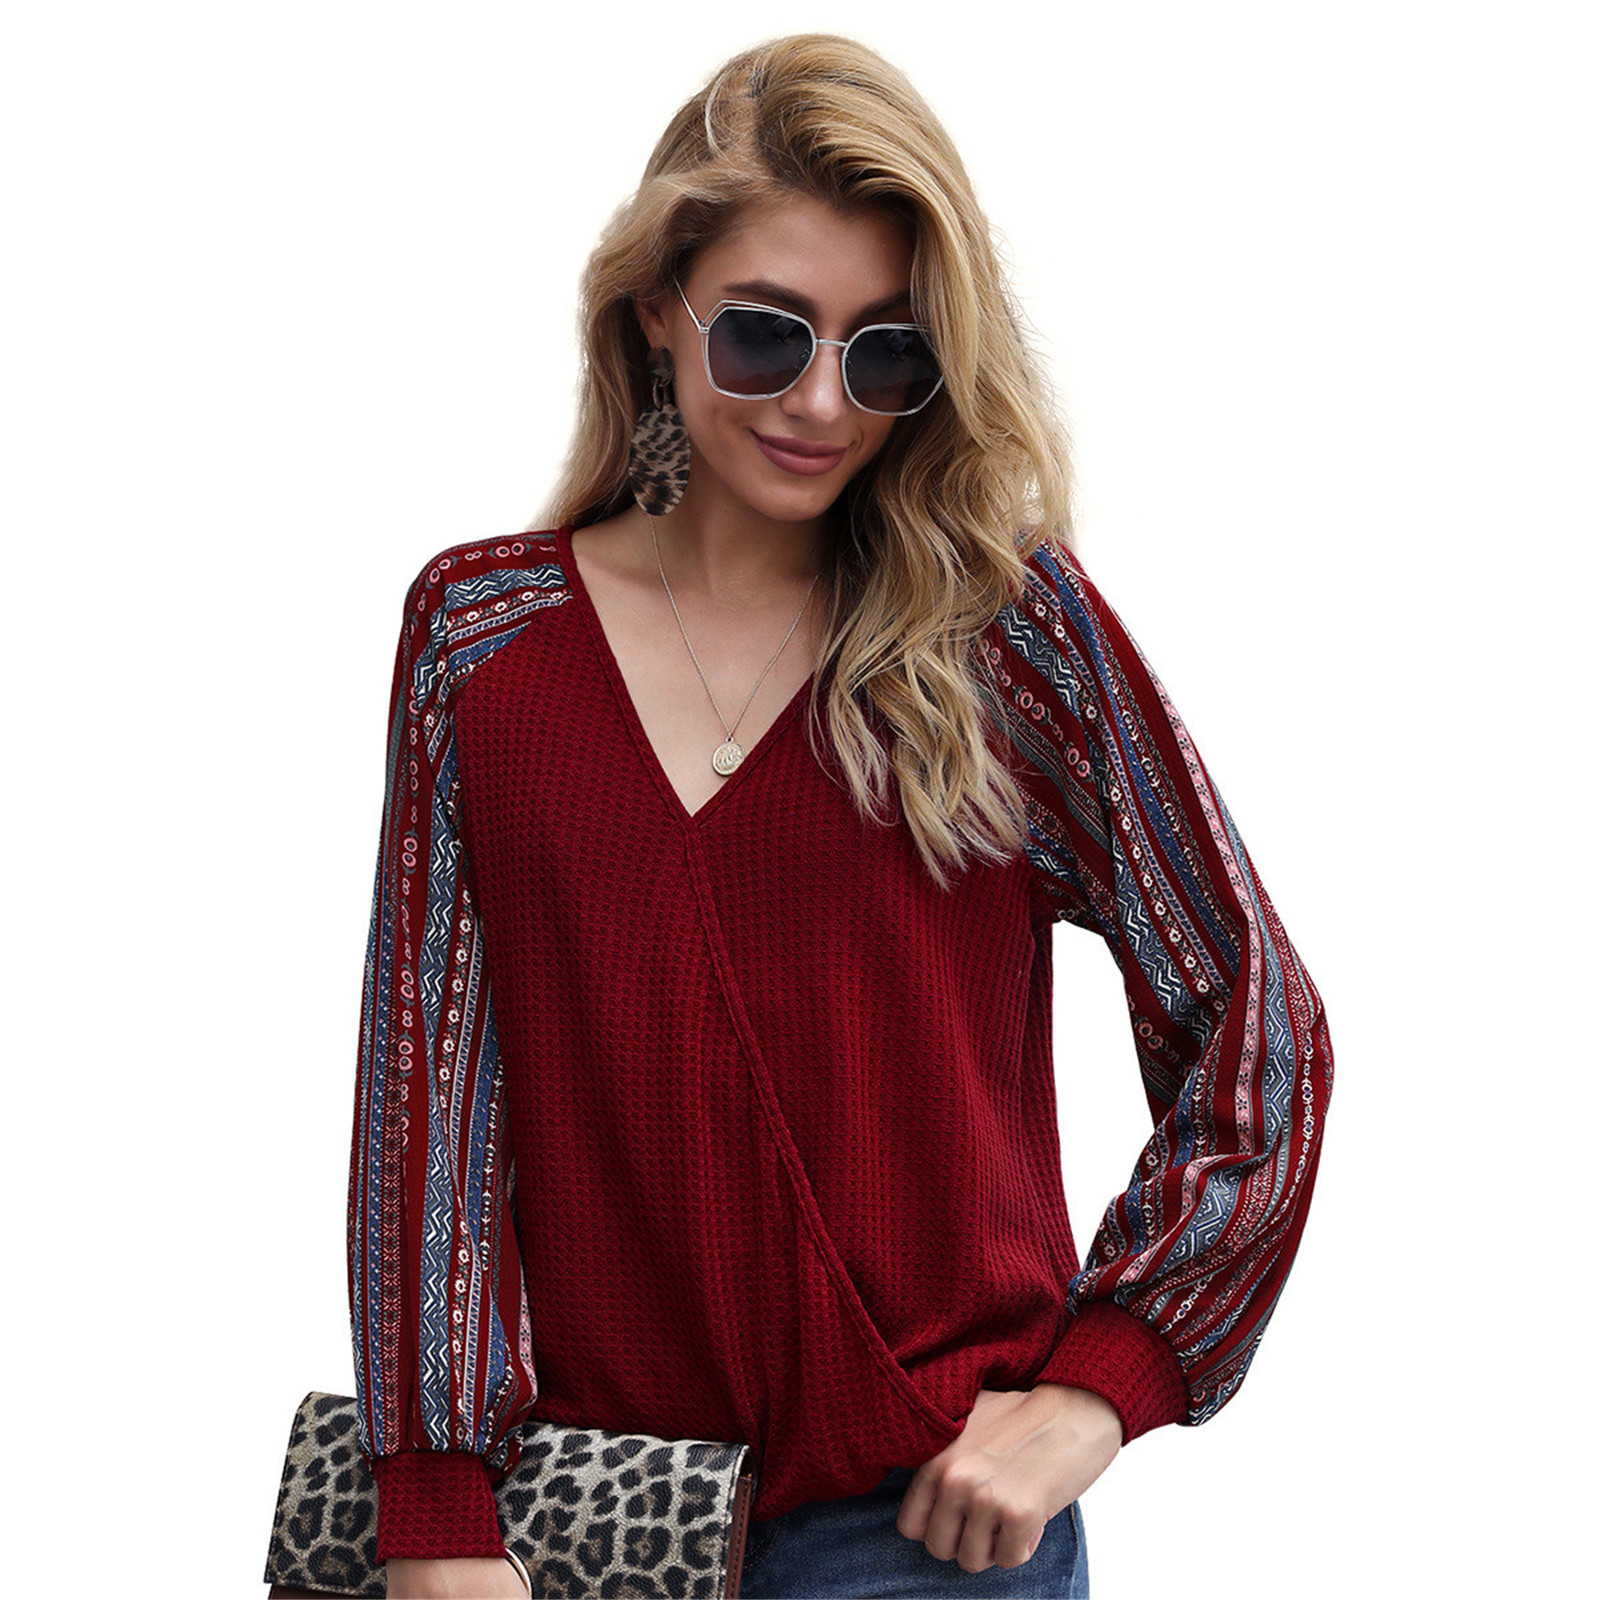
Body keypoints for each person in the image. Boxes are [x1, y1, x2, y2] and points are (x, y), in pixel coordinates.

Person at [346, 32, 1335, 1600]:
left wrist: (1102, 1383)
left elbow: (1257, 1023)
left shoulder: (1006, 637)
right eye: (764, 334)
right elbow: (432, 1103)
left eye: (887, 355)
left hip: (929, 1537)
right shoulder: (483, 641)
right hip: (581, 1533)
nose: (822, 400)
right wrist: (438, 1509)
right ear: (655, 309)